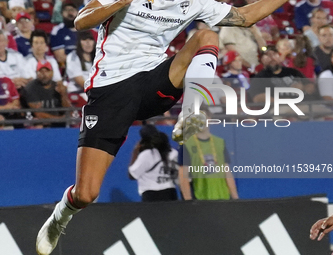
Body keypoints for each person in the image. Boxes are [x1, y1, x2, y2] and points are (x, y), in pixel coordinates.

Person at [35, 0, 295, 253]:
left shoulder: (193, 2)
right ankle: (60, 217)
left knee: (206, 36)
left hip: (153, 82)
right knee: (86, 194)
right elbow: (81, 21)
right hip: (110, 92)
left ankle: (191, 109)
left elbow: (245, 17)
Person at [178, 106, 239, 200]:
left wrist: (235, 197)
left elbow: (227, 172)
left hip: (223, 196)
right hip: (199, 197)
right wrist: (188, 200)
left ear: (209, 119)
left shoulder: (219, 142)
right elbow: (183, 176)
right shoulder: (187, 144)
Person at [129, 125, 179, 202]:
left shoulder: (147, 154)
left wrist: (135, 152)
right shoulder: (174, 153)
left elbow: (132, 175)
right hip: (170, 193)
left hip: (151, 195)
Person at [23, 60, 70, 127]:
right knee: (38, 124)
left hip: (59, 121)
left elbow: (68, 109)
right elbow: (38, 114)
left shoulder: (57, 86)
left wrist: (63, 94)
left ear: (52, 73)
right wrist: (59, 119)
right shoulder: (31, 87)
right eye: (41, 71)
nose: (44, 74)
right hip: (39, 122)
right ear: (36, 73)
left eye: (47, 71)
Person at [65, 30, 96, 106]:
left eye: (90, 40)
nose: (88, 43)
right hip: (77, 93)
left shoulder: (97, 57)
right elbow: (80, 81)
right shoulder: (72, 57)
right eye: (84, 40)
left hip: (93, 92)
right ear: (79, 42)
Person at [50, 0, 78, 68]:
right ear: (62, 13)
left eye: (72, 10)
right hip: (70, 67)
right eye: (66, 10)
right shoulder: (57, 31)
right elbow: (61, 58)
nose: (70, 13)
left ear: (77, 12)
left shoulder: (85, 29)